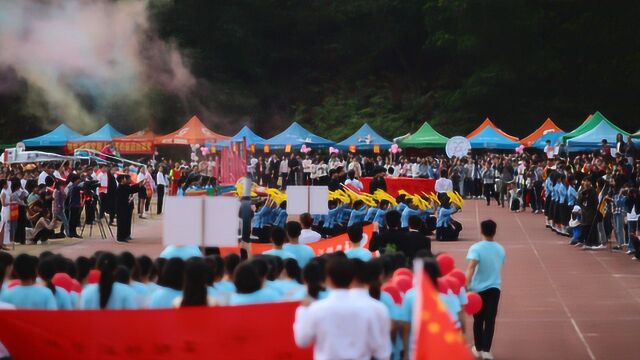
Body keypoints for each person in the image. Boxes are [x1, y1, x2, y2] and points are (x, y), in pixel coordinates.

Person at [293, 256, 391, 360]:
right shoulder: (372, 308)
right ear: (352, 278)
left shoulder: (316, 309)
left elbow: (302, 341)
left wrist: (303, 311)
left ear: (328, 279)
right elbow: (382, 352)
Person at [466, 220, 505, 360]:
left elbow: (471, 267)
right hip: (494, 288)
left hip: (478, 288)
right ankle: (487, 350)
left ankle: (478, 348)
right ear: (494, 231)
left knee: (478, 319)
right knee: (490, 320)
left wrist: (466, 284)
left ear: (481, 231)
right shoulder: (500, 249)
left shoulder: (476, 248)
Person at [115, 174, 145, 243]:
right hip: (121, 208)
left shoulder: (126, 186)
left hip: (127, 207)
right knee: (121, 222)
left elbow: (132, 189)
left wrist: (139, 185)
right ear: (122, 180)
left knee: (127, 221)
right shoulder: (119, 188)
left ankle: (126, 235)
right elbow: (120, 199)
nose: (129, 180)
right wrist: (128, 200)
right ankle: (120, 237)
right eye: (127, 179)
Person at [0, 179, 11, 250]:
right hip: (5, 210)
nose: (7, 185)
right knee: (3, 226)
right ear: (4, 185)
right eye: (6, 184)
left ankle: (4, 242)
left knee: (7, 226)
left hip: (8, 209)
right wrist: (10, 203)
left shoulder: (7, 191)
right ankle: (2, 243)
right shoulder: (3, 192)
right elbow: (3, 204)